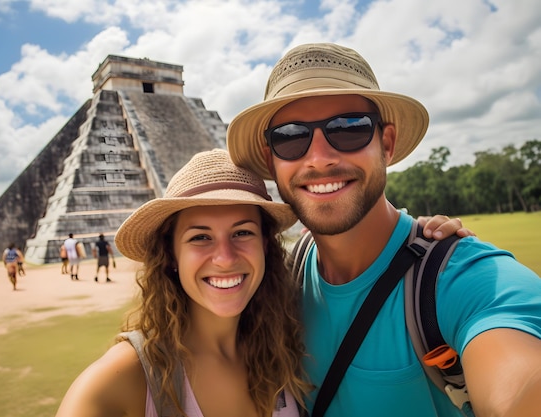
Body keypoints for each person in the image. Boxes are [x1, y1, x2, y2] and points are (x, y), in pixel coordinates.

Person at [227, 43, 541, 417]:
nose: (320, 157)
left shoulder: (461, 281)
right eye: (290, 137)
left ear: (386, 143)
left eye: (348, 129)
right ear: (270, 158)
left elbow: (519, 385)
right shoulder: (286, 275)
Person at [56, 149, 312, 417]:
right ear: (171, 255)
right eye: (200, 237)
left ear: (265, 246)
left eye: (242, 232)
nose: (225, 258)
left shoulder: (284, 352)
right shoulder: (121, 381)